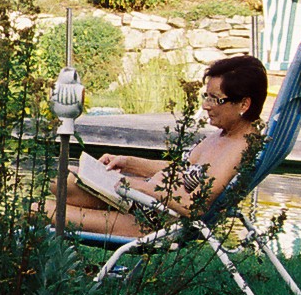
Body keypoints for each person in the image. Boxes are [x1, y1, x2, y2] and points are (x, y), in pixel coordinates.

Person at [51, 54, 268, 239]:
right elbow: (182, 171)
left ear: (244, 104)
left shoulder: (238, 148)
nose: (205, 106)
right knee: (61, 179)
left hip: (149, 223)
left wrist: (138, 186)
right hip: (139, 204)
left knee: (39, 209)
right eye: (206, 96)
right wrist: (129, 163)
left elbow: (195, 205)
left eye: (215, 99)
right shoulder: (223, 136)